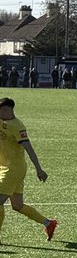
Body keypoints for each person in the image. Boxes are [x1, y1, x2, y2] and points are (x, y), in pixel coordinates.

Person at [0, 97, 56, 243]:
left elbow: (28, 148)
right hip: (5, 167)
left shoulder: (18, 126)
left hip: (13, 170)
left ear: (7, 110)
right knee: (17, 206)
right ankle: (48, 223)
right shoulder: (2, 120)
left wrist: (39, 169)